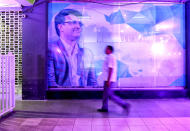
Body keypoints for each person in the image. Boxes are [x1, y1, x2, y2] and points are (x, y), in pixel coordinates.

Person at [48, 9, 97, 87]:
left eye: (79, 23)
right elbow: (51, 84)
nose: (78, 26)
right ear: (60, 27)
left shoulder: (88, 53)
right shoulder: (51, 50)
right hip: (60, 98)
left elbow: (93, 83)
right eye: (73, 22)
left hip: (83, 97)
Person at [97, 45, 130, 112]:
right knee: (106, 94)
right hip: (107, 79)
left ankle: (124, 104)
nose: (105, 50)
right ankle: (104, 107)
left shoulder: (111, 57)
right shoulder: (108, 57)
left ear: (110, 50)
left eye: (106, 49)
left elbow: (111, 69)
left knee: (110, 95)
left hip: (109, 80)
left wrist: (108, 80)